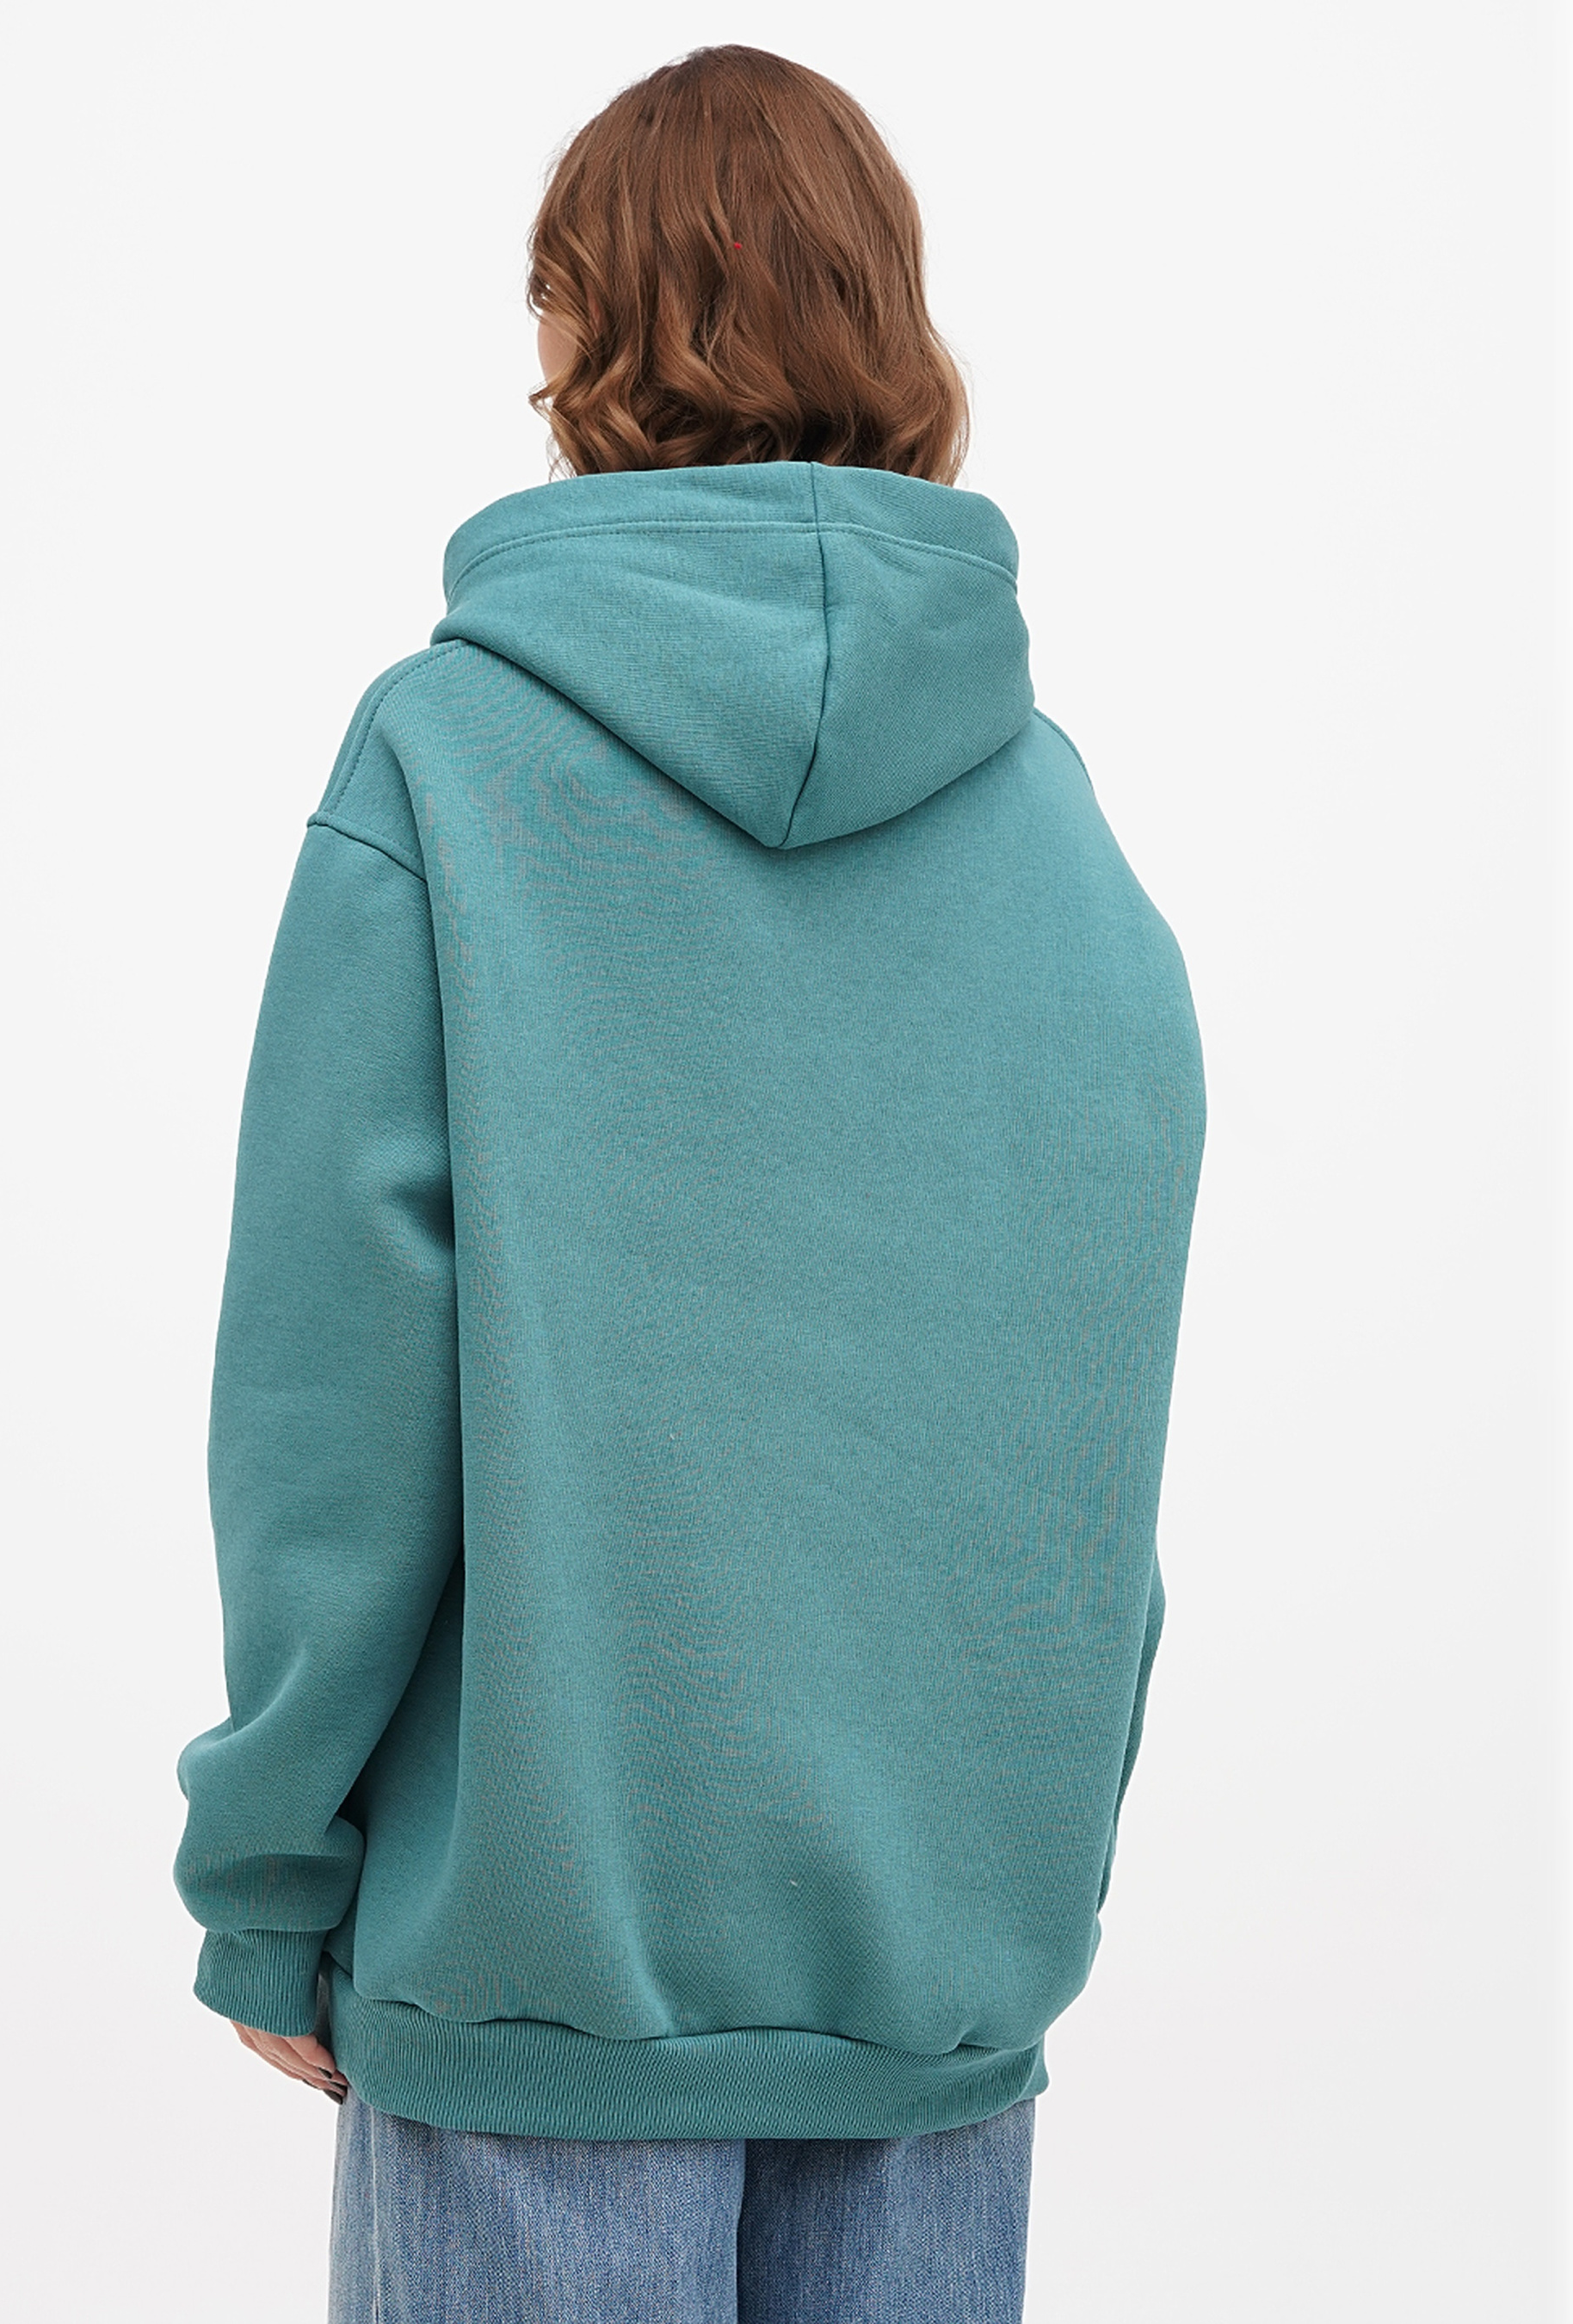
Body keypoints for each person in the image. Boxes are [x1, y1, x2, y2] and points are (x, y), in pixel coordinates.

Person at [174, 43, 1204, 2324]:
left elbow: (335, 1390)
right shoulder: (1058, 823)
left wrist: (267, 1877)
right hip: (936, 1983)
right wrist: (1018, 1870)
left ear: (581, 320)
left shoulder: (452, 760)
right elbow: (1096, 1415)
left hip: (538, 1968)